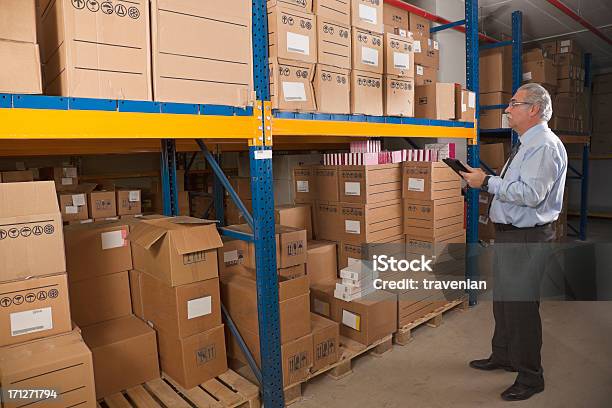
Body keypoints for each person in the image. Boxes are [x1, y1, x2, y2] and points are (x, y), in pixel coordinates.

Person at [460, 83, 568, 401]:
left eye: (513, 103)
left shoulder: (544, 146)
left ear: (533, 109)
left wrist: (488, 182)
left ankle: (531, 377)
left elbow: (532, 196)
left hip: (528, 237)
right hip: (511, 234)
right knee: (505, 301)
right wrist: (483, 180)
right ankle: (504, 355)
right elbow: (515, 185)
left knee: (521, 308)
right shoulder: (525, 143)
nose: (507, 109)